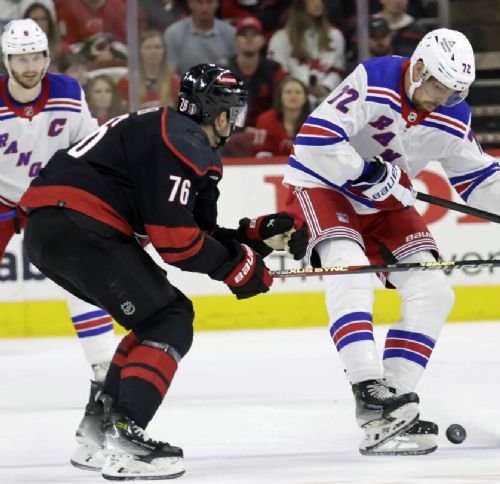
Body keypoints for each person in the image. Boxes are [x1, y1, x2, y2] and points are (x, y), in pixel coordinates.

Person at [280, 28, 500, 456]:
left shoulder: (452, 114)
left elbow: (478, 176)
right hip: (324, 185)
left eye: (456, 92)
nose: (443, 99)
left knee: (434, 292)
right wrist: (365, 172)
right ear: (418, 70)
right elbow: (314, 140)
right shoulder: (374, 78)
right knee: (350, 270)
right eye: (439, 87)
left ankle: (390, 405)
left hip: (385, 198)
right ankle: (367, 388)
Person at [19, 63, 308, 480]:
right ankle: (127, 437)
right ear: (214, 111)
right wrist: (236, 267)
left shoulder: (176, 133)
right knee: (169, 320)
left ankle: (99, 433)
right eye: (233, 110)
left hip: (55, 229)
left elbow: (197, 231)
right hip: (79, 226)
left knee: (154, 318)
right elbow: (176, 243)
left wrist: (256, 237)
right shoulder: (182, 139)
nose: (236, 121)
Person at [0, 18, 121, 469]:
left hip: (51, 197)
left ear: (46, 56)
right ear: (7, 60)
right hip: (1, 197)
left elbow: (88, 148)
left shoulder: (69, 91)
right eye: (20, 58)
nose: (29, 67)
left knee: (79, 278)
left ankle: (104, 372)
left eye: (36, 57)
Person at [267, 0, 345, 105]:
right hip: (292, 99)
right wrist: (300, 88)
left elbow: (338, 70)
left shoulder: (335, 36)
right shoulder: (281, 38)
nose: (318, 3)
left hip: (327, 98)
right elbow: (277, 73)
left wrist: (325, 87)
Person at [227, 16, 286, 127]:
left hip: (267, 128)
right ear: (236, 40)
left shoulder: (275, 70)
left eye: (254, 35)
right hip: (231, 131)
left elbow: (281, 106)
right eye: (244, 35)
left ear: (263, 40)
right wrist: (243, 131)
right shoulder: (223, 71)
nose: (249, 39)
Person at [164, 0, 236, 76]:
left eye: (209, 2)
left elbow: (238, 72)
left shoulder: (230, 33)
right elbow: (170, 73)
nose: (204, 8)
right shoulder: (174, 33)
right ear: (190, 4)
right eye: (200, 2)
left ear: (217, 4)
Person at [118, 30, 180, 109]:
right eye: (148, 47)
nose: (153, 51)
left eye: (157, 47)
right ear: (139, 52)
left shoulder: (175, 82)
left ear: (164, 51)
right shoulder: (126, 82)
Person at [252, 77, 311, 157]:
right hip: (272, 168)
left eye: (298, 92)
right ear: (280, 97)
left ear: (305, 98)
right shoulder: (265, 120)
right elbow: (261, 154)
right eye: (288, 92)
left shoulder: (315, 123)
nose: (293, 96)